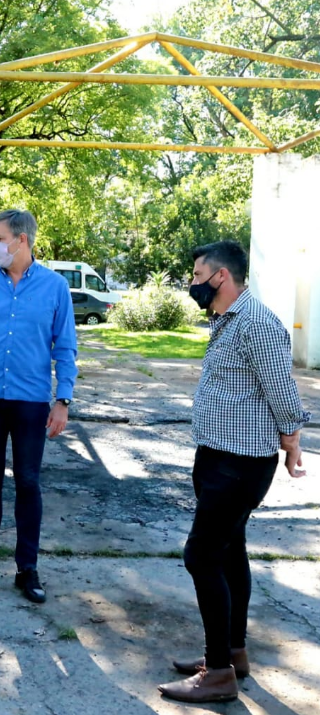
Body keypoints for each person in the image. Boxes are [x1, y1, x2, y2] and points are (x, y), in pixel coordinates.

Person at [159, 241, 310, 704]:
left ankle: (219, 673)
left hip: (240, 465)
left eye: (197, 274)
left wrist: (292, 445)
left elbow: (282, 392)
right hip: (217, 456)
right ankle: (233, 652)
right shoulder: (225, 320)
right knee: (228, 553)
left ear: (220, 277)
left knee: (201, 556)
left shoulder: (257, 323)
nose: (192, 283)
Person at [0, 209, 77, 603]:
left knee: (28, 482)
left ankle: (27, 569)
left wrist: (63, 400)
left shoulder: (55, 287)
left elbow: (66, 346)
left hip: (30, 400)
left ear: (22, 240)